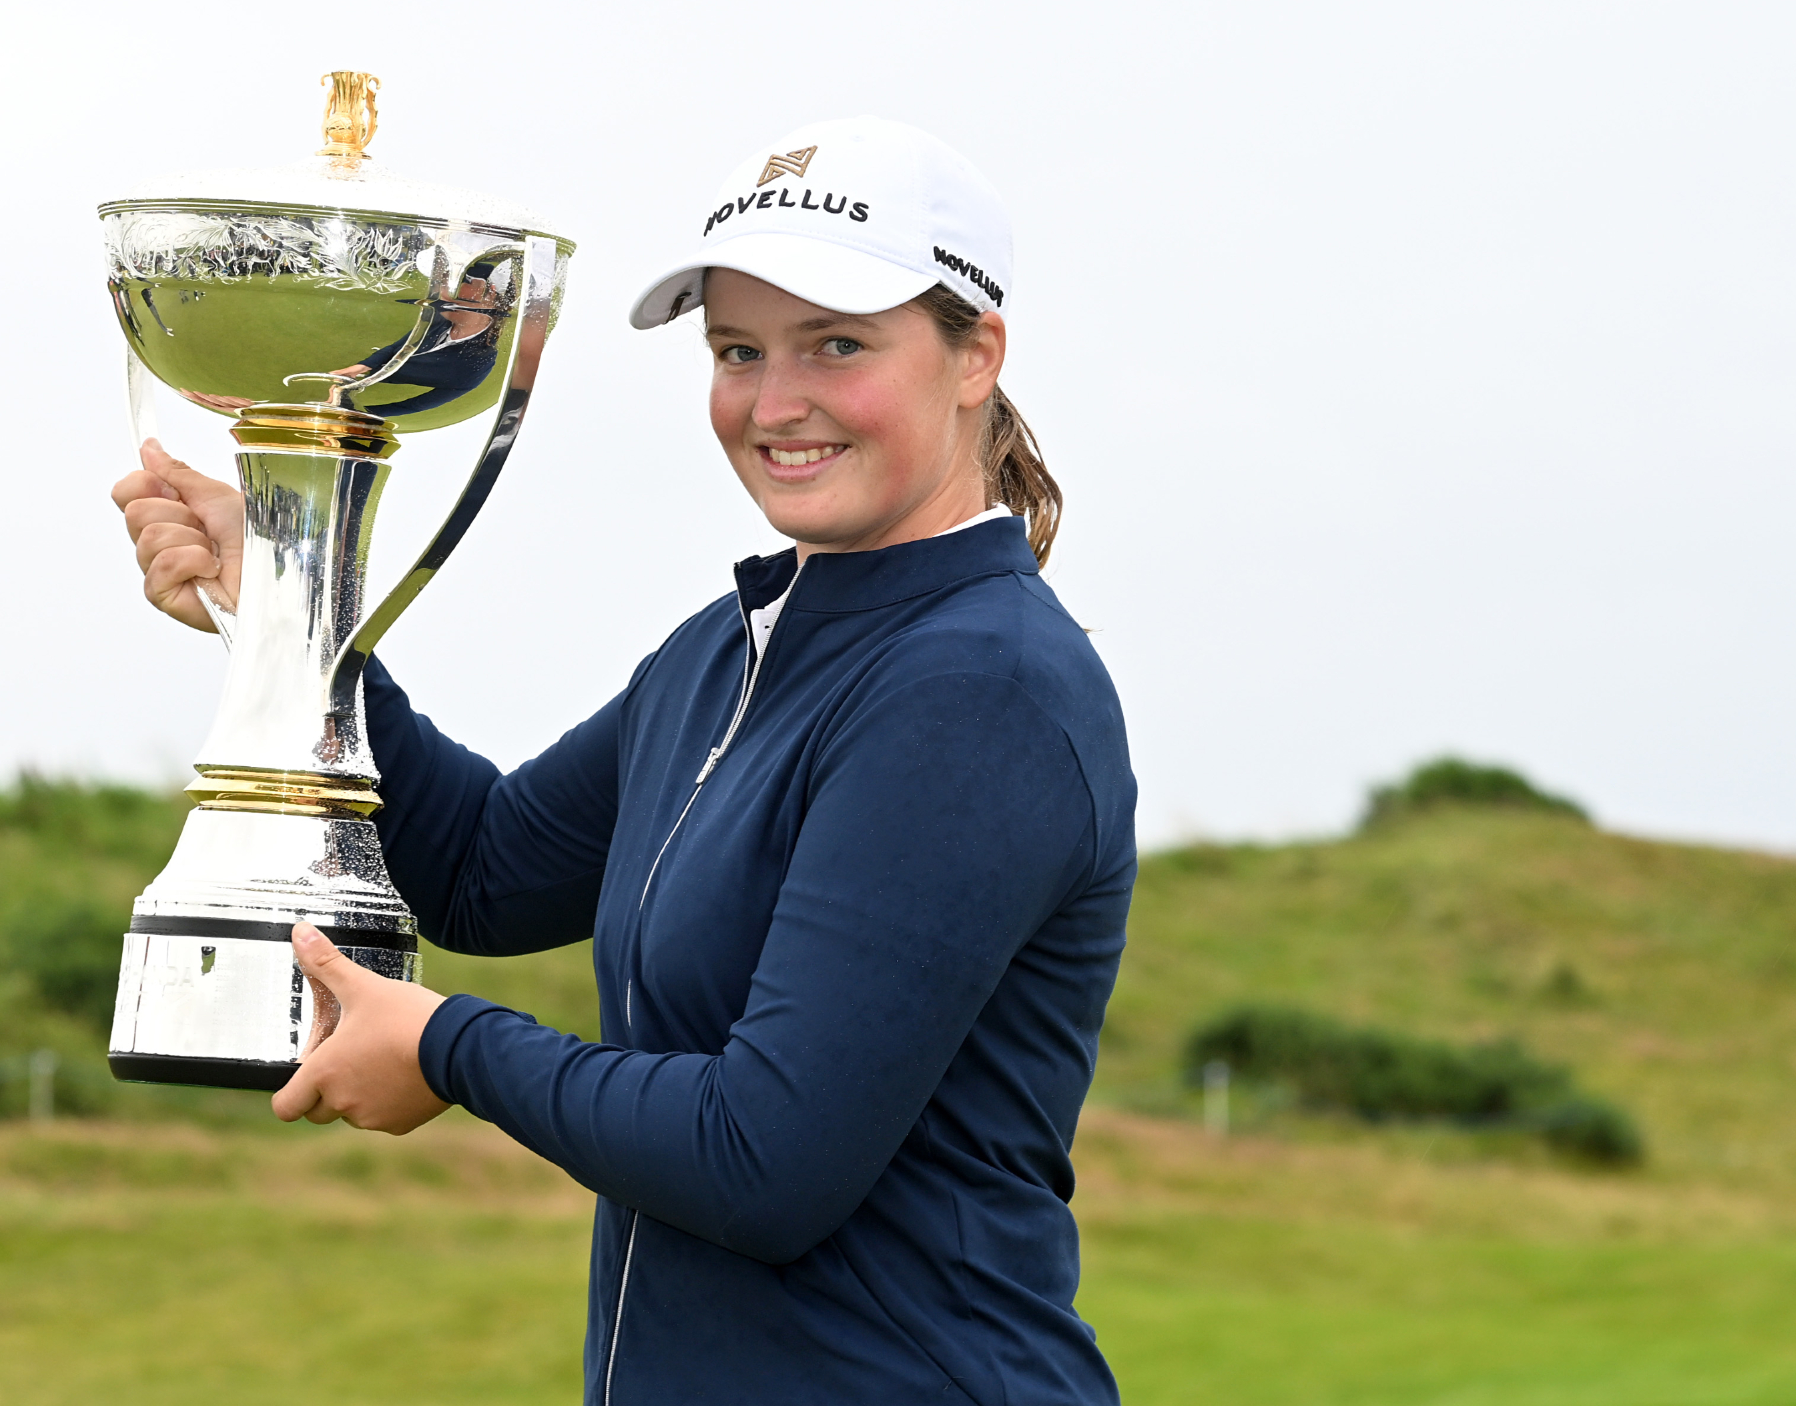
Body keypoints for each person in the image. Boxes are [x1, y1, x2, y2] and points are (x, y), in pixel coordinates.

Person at [115, 116, 1136, 1406]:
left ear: (975, 353)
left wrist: (450, 1047)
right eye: (738, 350)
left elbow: (762, 1160)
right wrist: (289, 597)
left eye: (838, 343)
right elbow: (483, 871)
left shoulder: (977, 688)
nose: (776, 403)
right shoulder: (734, 648)